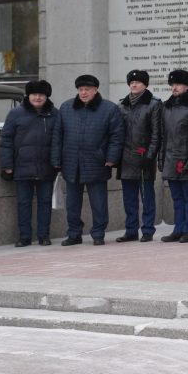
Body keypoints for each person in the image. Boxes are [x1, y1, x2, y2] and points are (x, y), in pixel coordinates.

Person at [52, 74, 125, 246]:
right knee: (72, 203)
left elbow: (117, 136)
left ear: (95, 90)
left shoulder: (109, 108)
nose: (83, 93)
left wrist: (111, 158)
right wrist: (56, 160)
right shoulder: (66, 107)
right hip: (71, 163)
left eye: (87, 89)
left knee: (98, 202)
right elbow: (57, 136)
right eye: (81, 90)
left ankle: (98, 233)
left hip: (97, 162)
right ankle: (74, 233)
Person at [0, 79, 58, 247]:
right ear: (28, 95)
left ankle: (44, 236)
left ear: (46, 96)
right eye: (34, 94)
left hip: (46, 167)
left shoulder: (55, 114)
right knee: (23, 203)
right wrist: (7, 165)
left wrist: (58, 162)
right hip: (22, 167)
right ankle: (24, 237)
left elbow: (60, 141)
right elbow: (6, 141)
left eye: (41, 95)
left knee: (45, 203)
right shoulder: (15, 114)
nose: (37, 98)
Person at [116, 69, 162, 243]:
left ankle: (148, 230)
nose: (134, 85)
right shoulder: (121, 105)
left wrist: (150, 156)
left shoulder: (154, 104)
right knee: (129, 198)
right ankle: (131, 230)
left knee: (147, 197)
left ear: (145, 85)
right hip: (126, 158)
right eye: (131, 82)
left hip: (144, 159)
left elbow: (157, 134)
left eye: (138, 82)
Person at [159, 69, 188, 243]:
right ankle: (177, 229)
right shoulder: (166, 106)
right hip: (170, 157)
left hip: (186, 157)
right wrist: (161, 157)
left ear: (187, 85)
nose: (174, 87)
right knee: (176, 196)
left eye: (178, 84)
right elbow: (163, 135)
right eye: (172, 84)